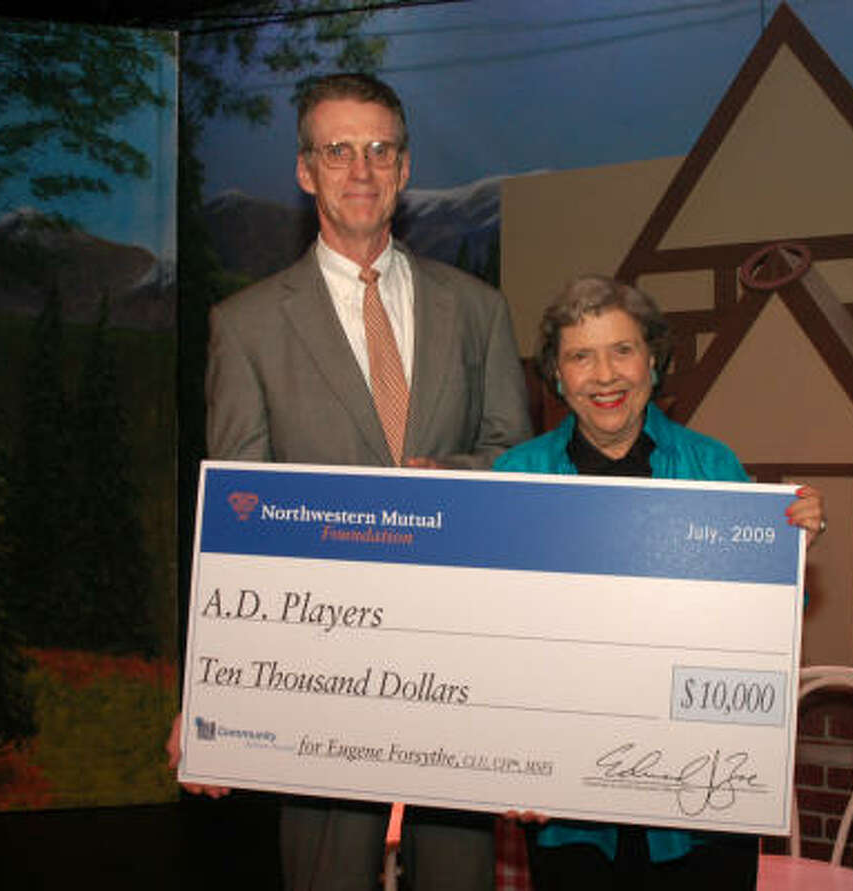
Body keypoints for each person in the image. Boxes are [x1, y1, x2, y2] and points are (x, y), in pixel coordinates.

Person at [167, 72, 532, 891]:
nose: (360, 170)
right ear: (306, 171)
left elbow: (517, 467)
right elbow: (239, 529)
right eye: (338, 151)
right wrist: (209, 685)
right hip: (316, 677)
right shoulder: (247, 326)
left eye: (379, 150)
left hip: (456, 668)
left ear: (404, 169)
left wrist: (450, 480)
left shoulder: (478, 309)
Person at [493, 274, 825, 890]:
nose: (606, 375)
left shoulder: (713, 465)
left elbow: (766, 629)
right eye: (580, 357)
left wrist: (790, 553)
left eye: (622, 350)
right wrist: (507, 759)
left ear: (654, 360)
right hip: (567, 809)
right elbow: (491, 640)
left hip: (701, 805)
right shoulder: (516, 475)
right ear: (558, 378)